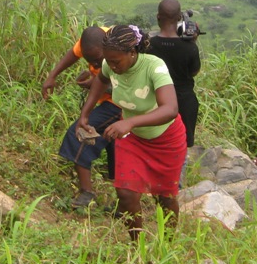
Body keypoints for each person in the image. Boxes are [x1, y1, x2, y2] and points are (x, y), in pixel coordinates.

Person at [77, 25, 185, 240]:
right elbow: (101, 79)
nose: (112, 66)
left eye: (116, 61)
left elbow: (170, 109)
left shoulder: (154, 67)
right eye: (109, 61)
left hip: (166, 139)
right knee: (125, 194)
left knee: (164, 197)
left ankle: (168, 242)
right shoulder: (110, 63)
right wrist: (85, 114)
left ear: (132, 52)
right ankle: (137, 246)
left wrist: (130, 122)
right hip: (133, 139)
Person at [43, 25, 121, 210]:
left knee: (78, 134)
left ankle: (88, 193)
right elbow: (73, 53)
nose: (93, 65)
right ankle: (120, 200)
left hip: (122, 103)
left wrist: (96, 83)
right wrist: (52, 76)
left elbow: (126, 84)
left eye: (97, 60)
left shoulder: (121, 46)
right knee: (115, 144)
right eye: (89, 61)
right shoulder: (93, 41)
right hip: (107, 101)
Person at [145, 0, 201, 150]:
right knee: (183, 143)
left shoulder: (148, 45)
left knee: (156, 142)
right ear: (179, 18)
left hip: (155, 100)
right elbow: (193, 72)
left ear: (158, 17)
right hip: (184, 100)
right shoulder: (190, 48)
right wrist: (192, 43)